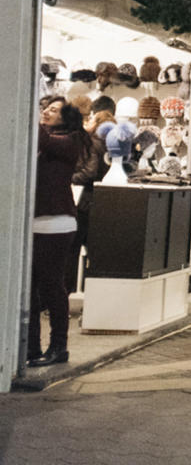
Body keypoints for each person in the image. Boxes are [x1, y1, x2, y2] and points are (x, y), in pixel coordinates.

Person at [29, 96, 88, 367]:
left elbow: (44, 141)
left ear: (66, 118)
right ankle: (29, 347)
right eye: (46, 108)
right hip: (34, 221)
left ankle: (58, 346)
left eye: (54, 110)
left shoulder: (70, 141)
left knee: (53, 287)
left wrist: (32, 107)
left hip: (57, 222)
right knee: (29, 289)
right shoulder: (44, 141)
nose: (47, 113)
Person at [65, 109, 112, 293]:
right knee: (97, 253)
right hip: (103, 202)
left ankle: (66, 294)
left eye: (92, 119)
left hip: (85, 202)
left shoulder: (92, 143)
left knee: (72, 251)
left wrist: (68, 177)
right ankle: (96, 296)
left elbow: (89, 172)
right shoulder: (111, 145)